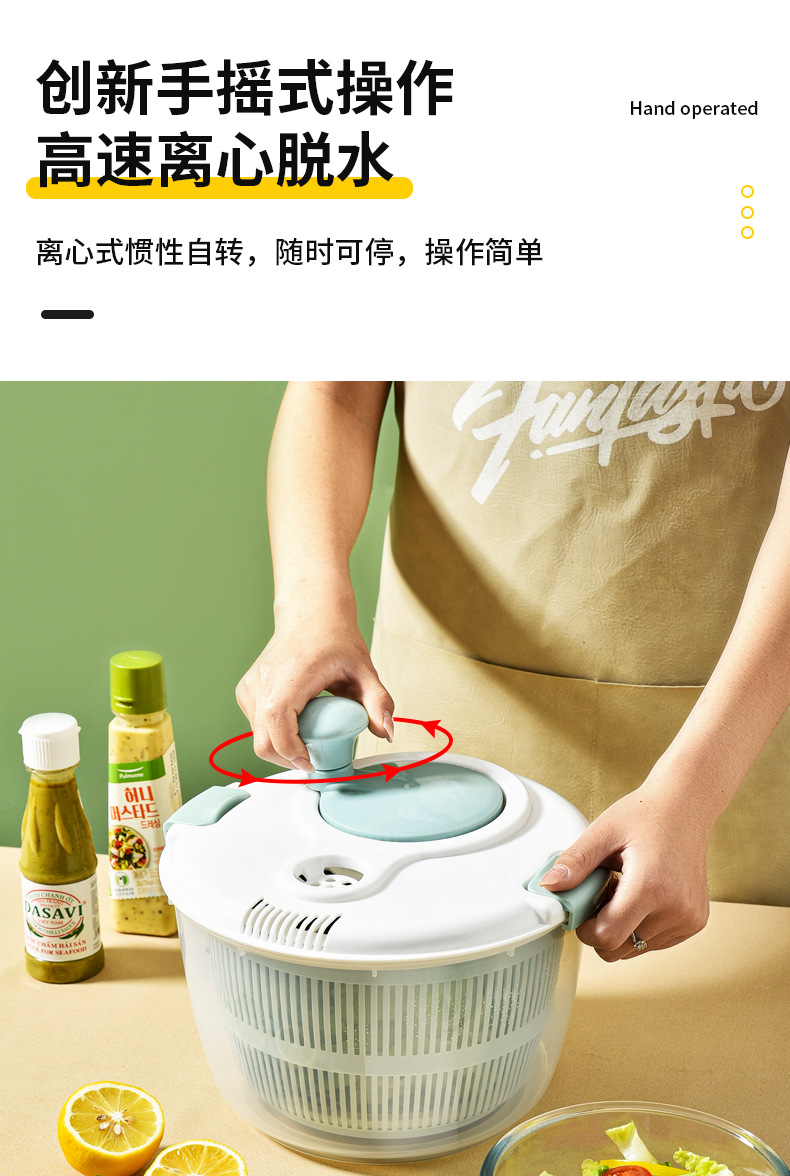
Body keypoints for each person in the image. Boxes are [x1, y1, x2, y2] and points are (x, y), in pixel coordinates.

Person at [236, 380, 790, 962]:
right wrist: (309, 611)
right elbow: (336, 394)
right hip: (439, 727)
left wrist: (695, 795)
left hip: (738, 736)